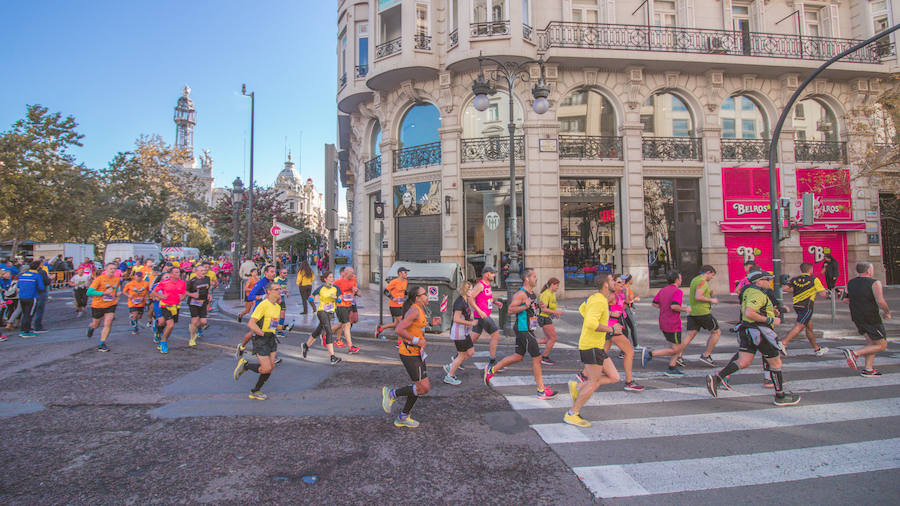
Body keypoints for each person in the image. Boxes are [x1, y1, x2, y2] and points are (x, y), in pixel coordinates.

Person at [706, 271, 801, 406]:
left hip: (747, 330)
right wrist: (770, 319)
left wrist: (770, 311)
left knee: (743, 361)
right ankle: (780, 396)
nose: (770, 281)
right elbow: (749, 312)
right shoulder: (757, 293)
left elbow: (753, 310)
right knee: (776, 363)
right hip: (760, 332)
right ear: (759, 281)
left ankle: (716, 378)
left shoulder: (749, 292)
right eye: (767, 279)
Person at [483, 268, 558, 399]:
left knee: (518, 356)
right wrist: (525, 306)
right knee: (537, 358)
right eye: (534, 276)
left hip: (528, 328)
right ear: (526, 279)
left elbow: (530, 308)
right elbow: (511, 310)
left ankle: (491, 370)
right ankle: (541, 391)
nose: (536, 278)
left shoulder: (531, 292)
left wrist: (537, 306)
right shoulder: (521, 294)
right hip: (524, 329)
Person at [564, 273, 622, 427]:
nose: (614, 283)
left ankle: (578, 387)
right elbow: (590, 323)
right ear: (605, 284)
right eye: (611, 280)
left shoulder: (595, 299)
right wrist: (611, 328)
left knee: (614, 377)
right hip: (591, 346)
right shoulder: (599, 300)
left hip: (596, 345)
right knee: (594, 382)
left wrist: (606, 314)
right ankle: (572, 413)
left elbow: (583, 309)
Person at [381, 286, 431, 428]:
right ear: (417, 298)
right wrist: (416, 341)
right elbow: (399, 329)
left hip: (417, 353)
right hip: (409, 353)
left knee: (422, 387)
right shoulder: (414, 310)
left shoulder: (420, 309)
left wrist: (432, 324)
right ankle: (392, 394)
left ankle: (403, 416)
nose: (427, 296)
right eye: (424, 294)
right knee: (422, 388)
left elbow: (416, 327)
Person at [233, 283, 283, 400]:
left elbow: (274, 325)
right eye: (276, 289)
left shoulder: (277, 307)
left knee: (270, 367)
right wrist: (262, 334)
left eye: (279, 289)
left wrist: (283, 327)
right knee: (266, 368)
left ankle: (255, 391)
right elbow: (251, 323)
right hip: (261, 339)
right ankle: (246, 365)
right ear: (269, 292)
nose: (279, 291)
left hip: (271, 338)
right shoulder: (263, 305)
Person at [841, 262, 892, 376]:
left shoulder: (851, 282)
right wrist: (887, 312)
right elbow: (880, 301)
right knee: (882, 345)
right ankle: (854, 353)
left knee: (871, 342)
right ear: (869, 271)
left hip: (857, 316)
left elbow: (844, 299)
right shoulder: (874, 283)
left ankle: (868, 369)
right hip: (871, 316)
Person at [640, 270, 692, 376]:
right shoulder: (678, 291)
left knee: (675, 346)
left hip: (663, 321)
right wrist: (685, 309)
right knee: (677, 348)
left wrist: (664, 307)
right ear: (677, 280)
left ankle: (672, 367)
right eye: (680, 278)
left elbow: (654, 303)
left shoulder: (663, 290)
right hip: (673, 323)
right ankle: (650, 354)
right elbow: (674, 306)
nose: (681, 280)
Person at [603, 274, 643, 391]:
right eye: (619, 282)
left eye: (623, 282)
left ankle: (584, 374)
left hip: (615, 325)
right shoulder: (610, 296)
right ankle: (629, 381)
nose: (622, 284)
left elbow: (623, 306)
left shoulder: (620, 294)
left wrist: (631, 300)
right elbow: (600, 308)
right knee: (629, 351)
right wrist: (611, 314)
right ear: (613, 284)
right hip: (612, 326)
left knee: (602, 352)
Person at [781, 262, 829, 356]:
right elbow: (823, 294)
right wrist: (829, 294)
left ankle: (817, 349)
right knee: (800, 325)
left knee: (809, 327)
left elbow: (785, 289)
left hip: (797, 305)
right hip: (807, 306)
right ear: (810, 270)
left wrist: (796, 291)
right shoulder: (814, 280)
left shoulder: (795, 279)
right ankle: (783, 343)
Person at [302, 271, 343, 365]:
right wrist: (313, 298)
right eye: (330, 277)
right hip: (321, 312)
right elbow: (311, 297)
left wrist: (336, 297)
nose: (332, 279)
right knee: (328, 331)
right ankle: (332, 357)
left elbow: (340, 300)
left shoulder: (336, 288)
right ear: (325, 279)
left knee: (318, 330)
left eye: (332, 277)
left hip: (330, 313)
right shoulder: (321, 288)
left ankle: (306, 345)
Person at [684, 265, 722, 367]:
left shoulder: (695, 280)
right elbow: (698, 296)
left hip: (692, 312)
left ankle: (677, 355)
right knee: (716, 332)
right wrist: (712, 300)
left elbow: (696, 293)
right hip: (703, 312)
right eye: (712, 275)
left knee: (690, 334)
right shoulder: (703, 281)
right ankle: (706, 355)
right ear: (708, 272)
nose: (712, 277)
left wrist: (709, 293)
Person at [443, 281, 478, 385]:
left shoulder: (465, 300)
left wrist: (469, 318)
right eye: (470, 289)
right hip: (459, 333)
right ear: (465, 290)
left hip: (465, 332)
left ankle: (452, 365)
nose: (472, 291)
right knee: (462, 355)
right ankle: (449, 376)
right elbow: (456, 319)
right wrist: (470, 323)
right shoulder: (459, 302)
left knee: (470, 352)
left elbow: (464, 315)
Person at [469, 267, 504, 367]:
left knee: (474, 337)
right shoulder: (480, 285)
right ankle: (492, 362)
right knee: (496, 334)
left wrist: (495, 302)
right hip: (482, 315)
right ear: (486, 274)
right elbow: (470, 298)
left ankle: (458, 356)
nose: (494, 275)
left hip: (483, 315)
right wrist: (479, 311)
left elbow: (487, 297)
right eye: (492, 273)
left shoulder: (487, 285)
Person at [150, 266, 186, 354]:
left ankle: (161, 335)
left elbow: (183, 293)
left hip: (175, 306)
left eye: (178, 272)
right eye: (176, 272)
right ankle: (163, 342)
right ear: (171, 274)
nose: (178, 274)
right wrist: (161, 296)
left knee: (169, 325)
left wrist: (182, 298)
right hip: (165, 306)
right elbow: (153, 292)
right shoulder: (164, 283)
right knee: (170, 325)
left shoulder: (182, 283)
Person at [86, 263, 121, 351]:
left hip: (110, 305)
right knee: (96, 324)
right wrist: (103, 293)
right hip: (98, 305)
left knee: (108, 322)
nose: (113, 270)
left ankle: (102, 343)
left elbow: (116, 289)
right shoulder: (99, 279)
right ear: (106, 270)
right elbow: (89, 292)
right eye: (111, 268)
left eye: (114, 269)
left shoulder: (117, 279)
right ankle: (91, 327)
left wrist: (117, 293)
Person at [375, 267, 409, 339]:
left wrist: (408, 295)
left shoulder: (405, 281)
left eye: (406, 272)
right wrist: (393, 298)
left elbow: (404, 291)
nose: (406, 274)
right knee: (402, 323)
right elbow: (385, 291)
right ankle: (400, 342)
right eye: (405, 272)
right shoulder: (394, 282)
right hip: (394, 306)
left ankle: (380, 328)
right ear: (400, 273)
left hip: (401, 305)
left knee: (396, 324)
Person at [332, 266, 361, 353]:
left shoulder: (353, 280)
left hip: (349, 305)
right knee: (347, 325)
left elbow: (356, 291)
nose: (353, 274)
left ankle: (326, 334)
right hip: (341, 305)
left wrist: (355, 291)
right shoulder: (338, 282)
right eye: (351, 273)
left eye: (353, 273)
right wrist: (336, 297)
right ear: (346, 273)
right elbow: (331, 291)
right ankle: (350, 346)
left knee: (341, 324)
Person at [537, 277, 564, 365]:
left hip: (547, 318)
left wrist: (555, 313)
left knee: (547, 339)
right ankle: (544, 357)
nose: (558, 287)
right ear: (552, 285)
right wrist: (555, 312)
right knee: (553, 338)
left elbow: (550, 307)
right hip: (544, 318)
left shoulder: (552, 294)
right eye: (557, 285)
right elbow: (544, 309)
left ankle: (528, 342)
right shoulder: (546, 294)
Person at [16, 261, 45, 339]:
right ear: (38, 267)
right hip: (31, 297)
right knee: (29, 314)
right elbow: (41, 287)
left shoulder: (22, 275)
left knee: (25, 313)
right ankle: (26, 331)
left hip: (22, 297)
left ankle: (23, 330)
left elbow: (18, 285)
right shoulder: (37, 276)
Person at [186, 263, 212, 347]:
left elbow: (209, 287)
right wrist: (192, 295)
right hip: (193, 302)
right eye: (201, 270)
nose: (203, 272)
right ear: (196, 272)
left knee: (203, 321)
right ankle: (192, 338)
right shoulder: (192, 281)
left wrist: (209, 294)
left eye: (204, 270)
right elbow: (186, 291)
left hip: (203, 301)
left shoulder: (207, 279)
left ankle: (192, 328)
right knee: (195, 319)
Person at [122, 270, 150, 334]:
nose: (139, 278)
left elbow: (148, 291)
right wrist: (128, 295)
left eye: (140, 277)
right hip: (132, 302)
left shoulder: (146, 283)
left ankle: (133, 319)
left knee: (139, 316)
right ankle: (135, 328)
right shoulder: (130, 284)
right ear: (135, 276)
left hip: (141, 302)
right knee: (135, 314)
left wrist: (147, 296)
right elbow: (124, 291)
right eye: (137, 276)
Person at [31, 265, 51, 333]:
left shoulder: (28, 273)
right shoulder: (41, 273)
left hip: (31, 293)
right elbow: (44, 284)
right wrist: (50, 279)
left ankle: (27, 326)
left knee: (30, 310)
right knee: (39, 310)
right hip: (40, 293)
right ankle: (37, 326)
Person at [622, 274, 640, 348]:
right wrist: (635, 299)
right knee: (632, 326)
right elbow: (627, 301)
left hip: (626, 309)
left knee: (626, 329)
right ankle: (635, 345)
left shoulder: (626, 288)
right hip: (625, 309)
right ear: (629, 281)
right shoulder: (625, 288)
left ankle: (625, 348)